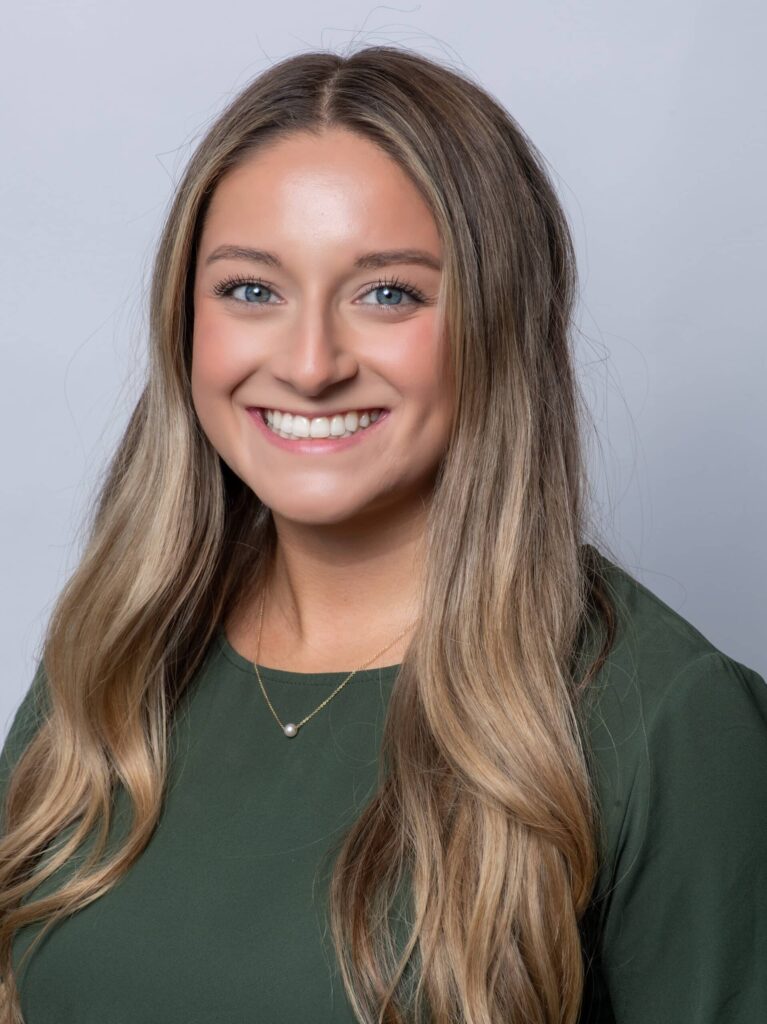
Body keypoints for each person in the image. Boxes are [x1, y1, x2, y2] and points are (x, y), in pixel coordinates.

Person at [0, 44, 765, 1024]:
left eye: (387, 293)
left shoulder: (667, 720)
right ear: (183, 320)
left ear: (497, 322)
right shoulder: (114, 652)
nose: (310, 363)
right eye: (250, 289)